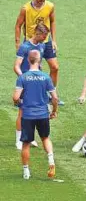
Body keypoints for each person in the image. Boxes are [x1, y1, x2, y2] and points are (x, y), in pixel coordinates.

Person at [15, 0, 64, 106]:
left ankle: (51, 95)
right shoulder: (25, 8)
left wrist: (53, 40)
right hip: (31, 42)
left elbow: (52, 21)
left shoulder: (50, 6)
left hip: (45, 41)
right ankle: (23, 95)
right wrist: (17, 43)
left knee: (55, 67)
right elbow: (18, 25)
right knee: (29, 70)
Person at [12, 50, 58, 179]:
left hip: (27, 115)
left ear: (28, 60)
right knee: (45, 138)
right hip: (43, 114)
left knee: (26, 143)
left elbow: (15, 97)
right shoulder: (46, 77)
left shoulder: (23, 77)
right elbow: (54, 98)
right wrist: (54, 111)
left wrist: (19, 102)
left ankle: (26, 172)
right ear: (40, 61)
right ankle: (51, 161)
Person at [14, 23, 49, 150]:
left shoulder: (41, 46)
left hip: (36, 84)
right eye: (44, 36)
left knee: (33, 112)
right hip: (25, 84)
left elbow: (39, 65)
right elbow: (16, 66)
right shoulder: (24, 47)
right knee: (22, 112)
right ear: (38, 33)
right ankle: (18, 139)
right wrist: (24, 78)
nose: (45, 38)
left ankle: (30, 138)